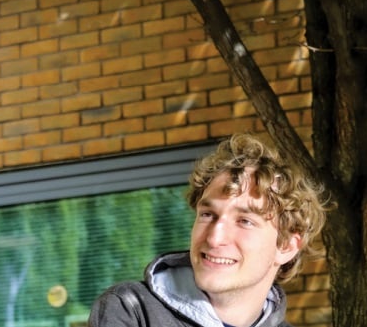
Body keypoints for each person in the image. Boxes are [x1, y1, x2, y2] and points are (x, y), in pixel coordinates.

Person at [88, 134, 329, 327]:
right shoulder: (132, 309)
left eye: (245, 221)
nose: (214, 238)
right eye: (207, 215)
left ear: (286, 246)